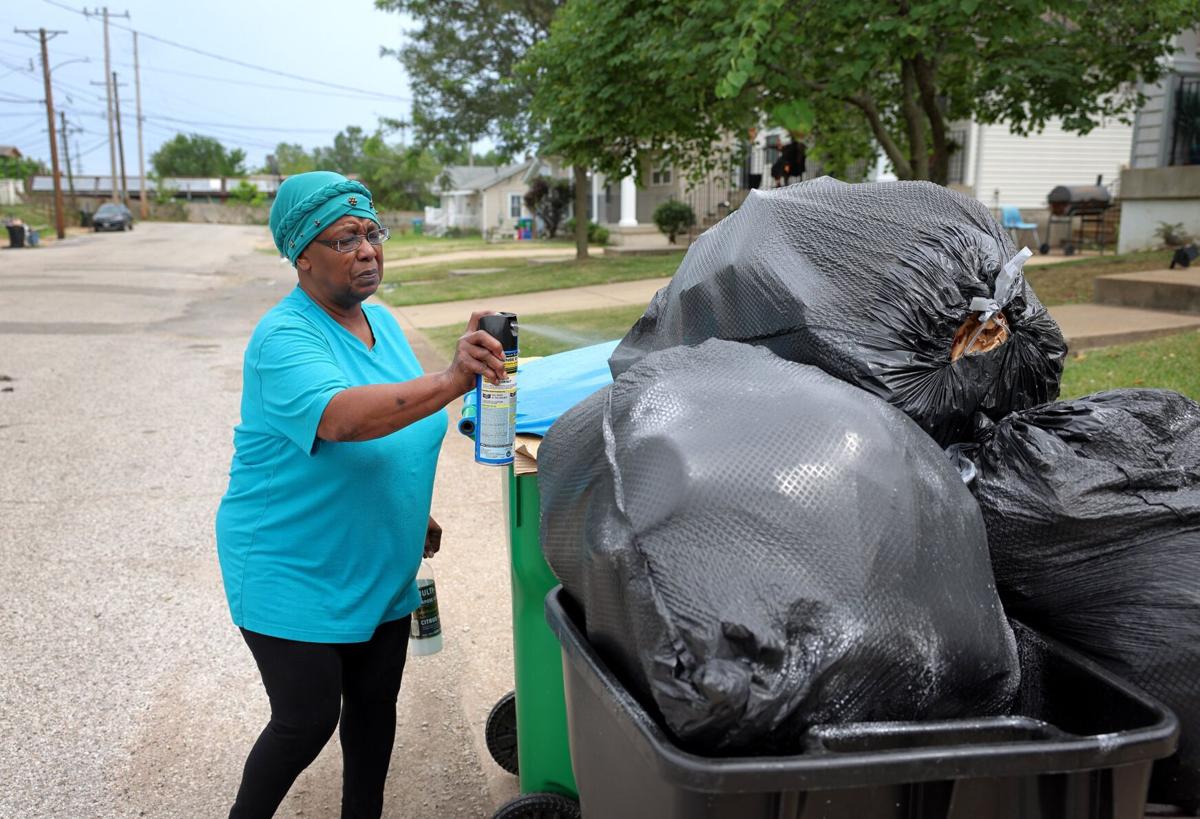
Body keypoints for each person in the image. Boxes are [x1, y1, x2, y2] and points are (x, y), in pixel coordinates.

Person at [215, 171, 506, 818]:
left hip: (378, 559)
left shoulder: (382, 324)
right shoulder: (284, 338)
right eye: (346, 238)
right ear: (302, 254)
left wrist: (410, 508)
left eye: (373, 232)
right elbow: (343, 417)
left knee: (374, 713)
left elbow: (396, 425)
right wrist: (455, 376)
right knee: (306, 719)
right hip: (290, 563)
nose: (369, 249)